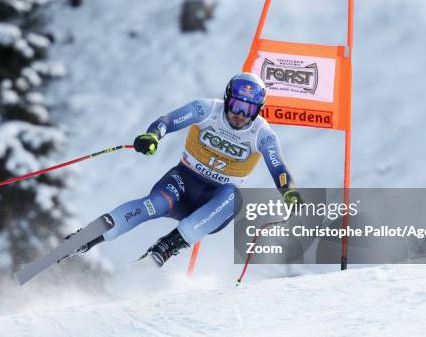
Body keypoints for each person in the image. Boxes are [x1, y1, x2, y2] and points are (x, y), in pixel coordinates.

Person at [66, 72, 299, 267]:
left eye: (249, 110)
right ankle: (88, 237)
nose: (240, 114)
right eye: (237, 105)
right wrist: (153, 136)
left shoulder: (263, 134)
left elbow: (278, 168)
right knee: (154, 204)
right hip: (183, 181)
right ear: (228, 100)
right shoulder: (207, 109)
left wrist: (288, 191)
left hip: (216, 202)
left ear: (258, 110)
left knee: (234, 197)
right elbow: (167, 121)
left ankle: (166, 248)